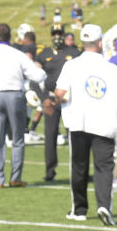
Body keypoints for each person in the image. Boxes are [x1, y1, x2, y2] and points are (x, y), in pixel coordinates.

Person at [55, 24, 117, 226]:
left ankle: (79, 209)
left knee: (79, 166)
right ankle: (103, 205)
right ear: (100, 43)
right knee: (104, 167)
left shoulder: (71, 65)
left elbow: (60, 92)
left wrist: (63, 101)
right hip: (104, 121)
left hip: (79, 121)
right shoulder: (112, 68)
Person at [0, 23, 46, 188]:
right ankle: (15, 177)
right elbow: (38, 75)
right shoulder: (18, 55)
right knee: (18, 138)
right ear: (10, 37)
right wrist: (41, 69)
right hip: (14, 95)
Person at [36, 24, 80, 181]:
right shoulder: (44, 54)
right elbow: (35, 79)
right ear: (51, 35)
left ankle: (78, 171)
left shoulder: (74, 52)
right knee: (50, 135)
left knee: (75, 136)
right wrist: (44, 99)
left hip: (71, 100)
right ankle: (50, 171)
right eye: (54, 33)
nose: (57, 36)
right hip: (51, 100)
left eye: (59, 33)